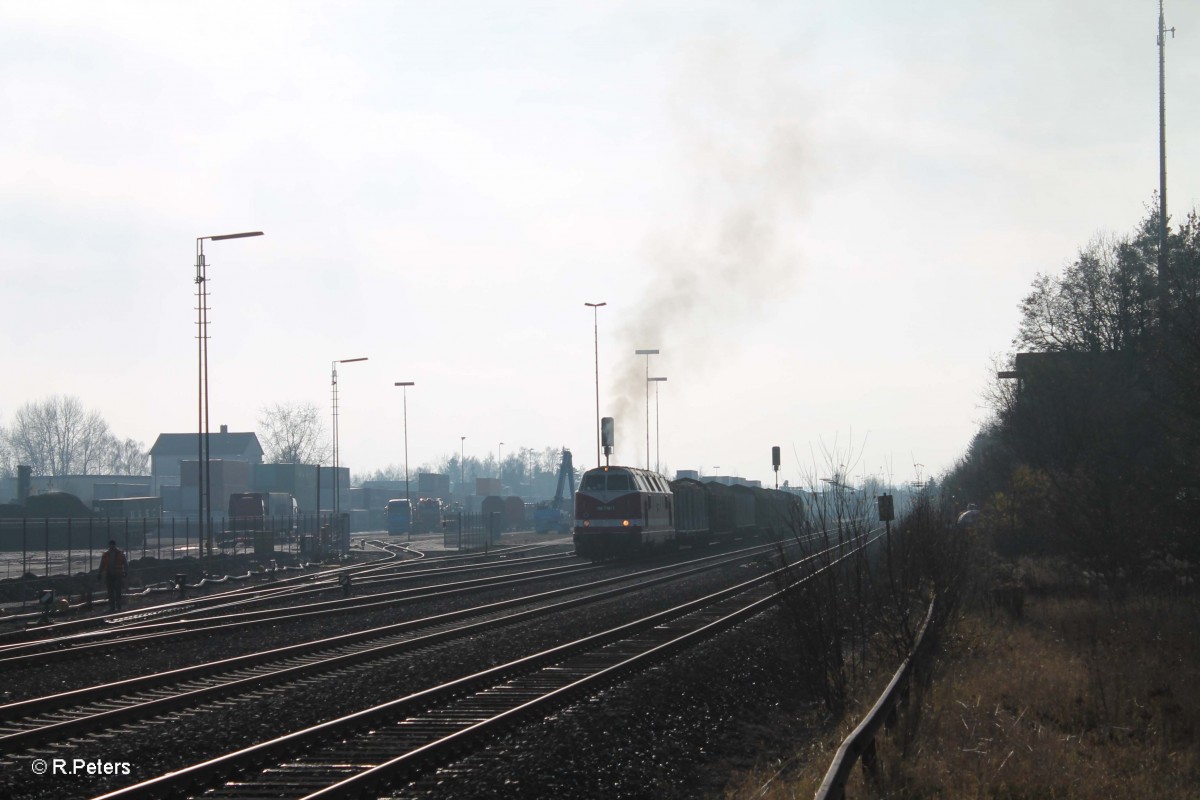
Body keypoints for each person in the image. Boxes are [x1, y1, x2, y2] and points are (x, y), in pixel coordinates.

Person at [98, 540, 128, 612]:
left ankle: (118, 607)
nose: (112, 547)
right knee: (110, 592)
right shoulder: (106, 554)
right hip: (109, 575)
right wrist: (99, 573)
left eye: (113, 545)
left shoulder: (120, 554)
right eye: (111, 545)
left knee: (118, 591)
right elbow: (102, 565)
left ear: (115, 545)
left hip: (118, 575)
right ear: (109, 546)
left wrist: (125, 572)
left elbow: (125, 564)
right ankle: (112, 607)